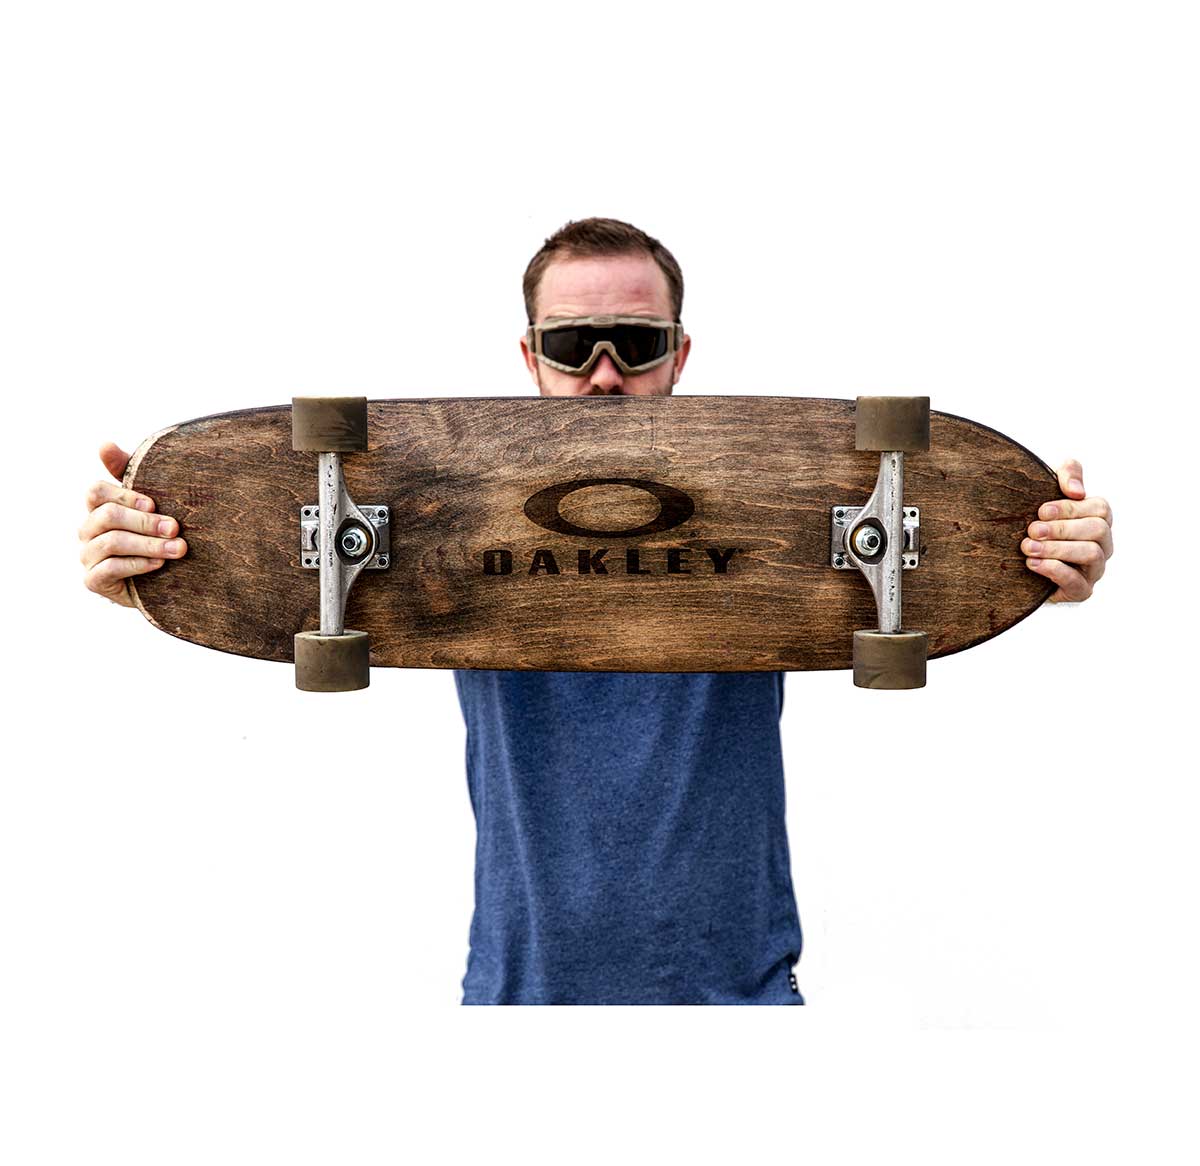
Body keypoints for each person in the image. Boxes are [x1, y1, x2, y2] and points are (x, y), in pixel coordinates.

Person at [79, 218, 1116, 1004]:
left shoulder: (790, 502)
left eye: (635, 341)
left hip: (740, 1001)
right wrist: (157, 561)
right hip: (519, 997)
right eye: (574, 344)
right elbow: (275, 552)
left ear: (682, 353)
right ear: (529, 356)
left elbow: (949, 550)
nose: (605, 374)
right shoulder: (437, 500)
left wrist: (1044, 555)